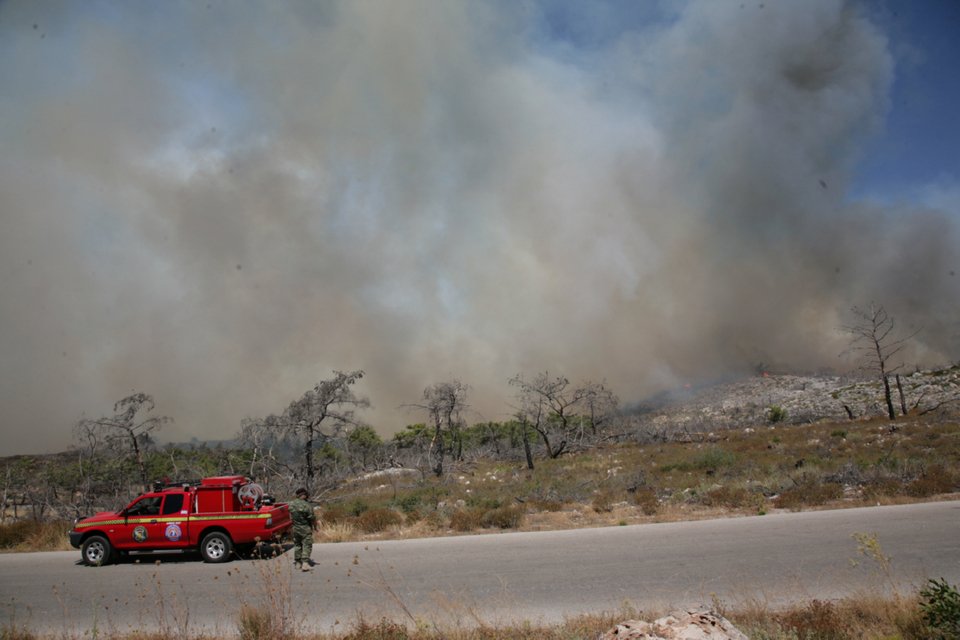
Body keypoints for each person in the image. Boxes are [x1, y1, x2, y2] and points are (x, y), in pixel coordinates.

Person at [288, 487, 317, 572]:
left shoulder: (291, 504)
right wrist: (315, 527)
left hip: (295, 528)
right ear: (304, 495)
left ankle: (298, 563)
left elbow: (290, 517)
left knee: (297, 545)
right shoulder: (306, 505)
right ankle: (305, 563)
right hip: (305, 528)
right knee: (307, 545)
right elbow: (312, 518)